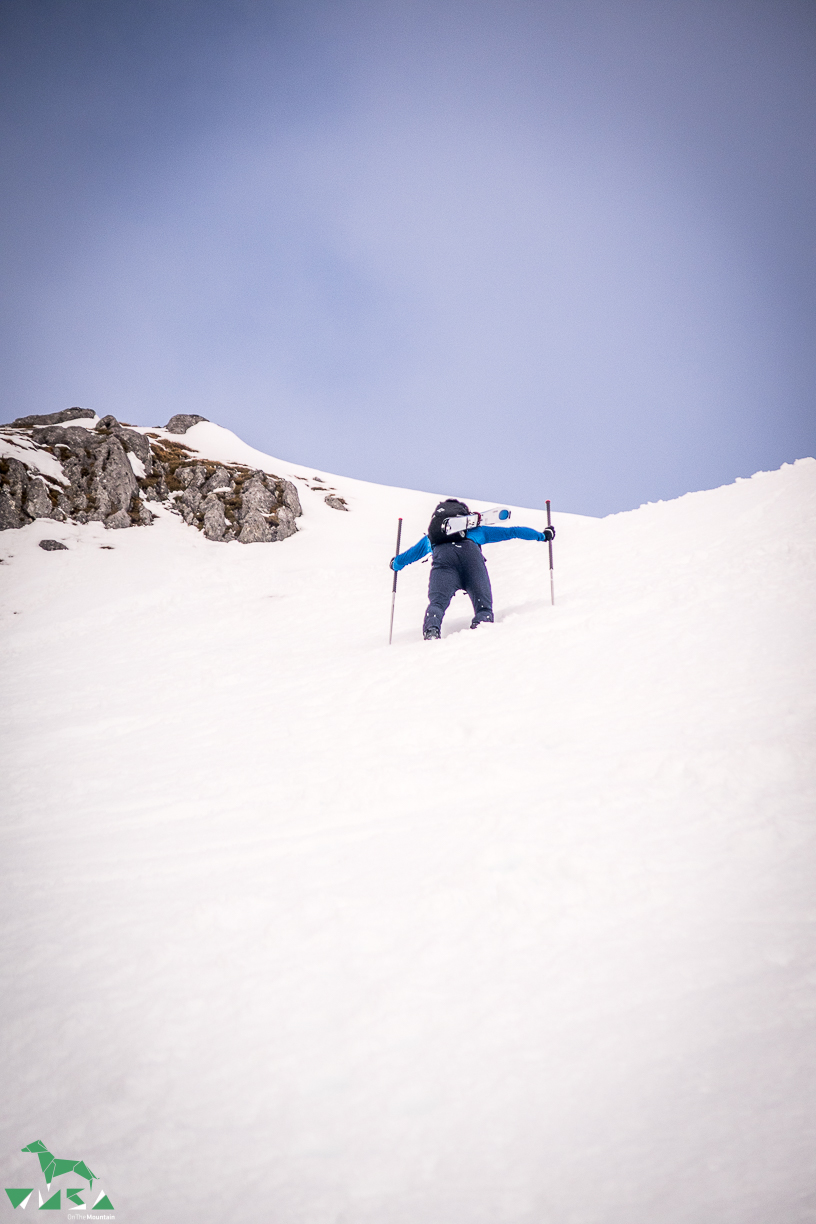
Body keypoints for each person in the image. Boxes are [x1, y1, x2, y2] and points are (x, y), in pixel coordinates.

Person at [390, 498, 555, 640]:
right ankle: (481, 630)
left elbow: (406, 557)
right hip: (471, 558)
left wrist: (395, 563)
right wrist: (542, 535)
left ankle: (432, 631)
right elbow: (512, 532)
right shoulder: (477, 530)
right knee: (483, 607)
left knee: (437, 603)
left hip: (443, 557)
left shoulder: (431, 539)